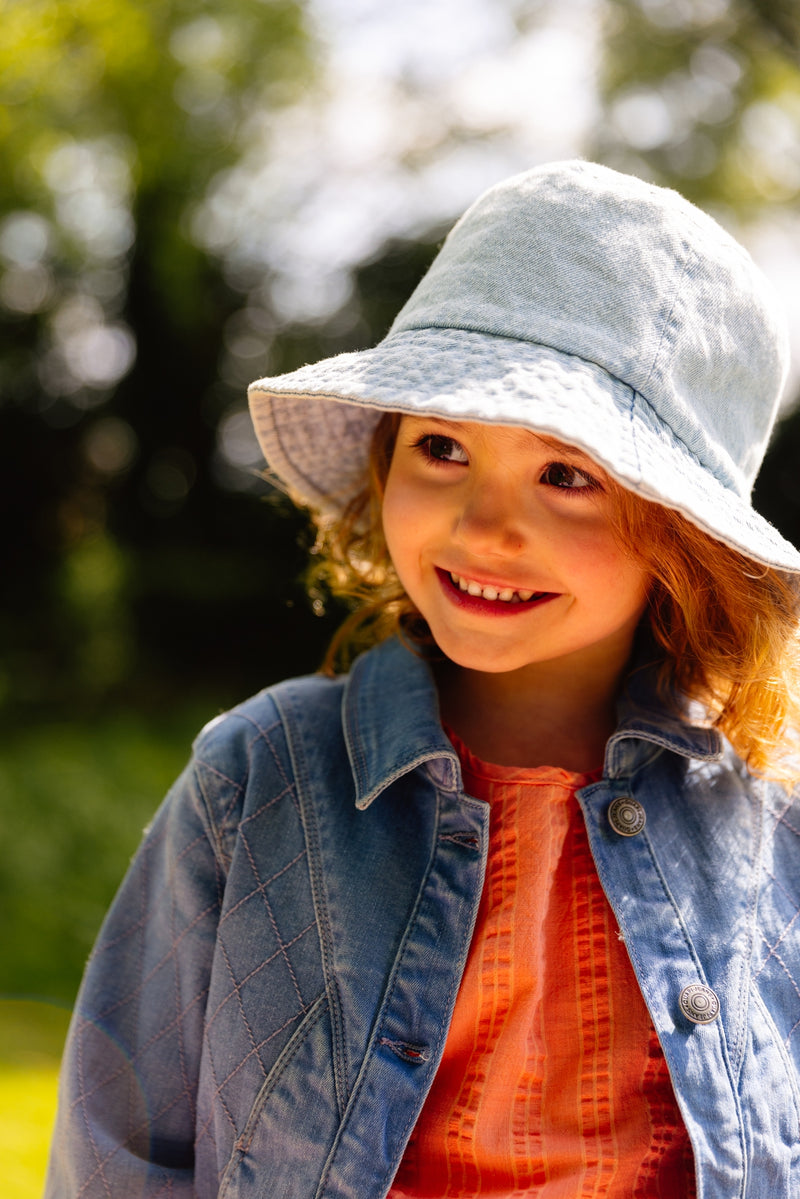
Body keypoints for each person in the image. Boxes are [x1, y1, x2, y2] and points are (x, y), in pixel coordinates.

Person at [46, 160, 800, 1199]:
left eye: (565, 473)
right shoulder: (258, 777)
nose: (482, 524)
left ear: (682, 539)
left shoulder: (770, 820)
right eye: (440, 445)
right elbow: (117, 1146)